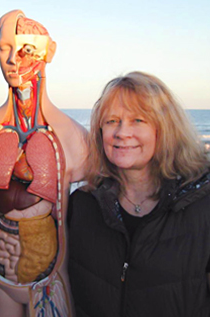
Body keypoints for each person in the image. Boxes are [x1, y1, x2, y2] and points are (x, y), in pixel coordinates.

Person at [0, 10, 87, 317]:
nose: (14, 60)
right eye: (5, 49)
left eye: (26, 49)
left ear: (47, 52)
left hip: (51, 278)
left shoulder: (74, 139)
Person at [68, 71, 210, 317]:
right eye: (112, 121)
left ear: (164, 129)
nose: (122, 132)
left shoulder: (202, 205)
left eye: (138, 120)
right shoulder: (82, 205)